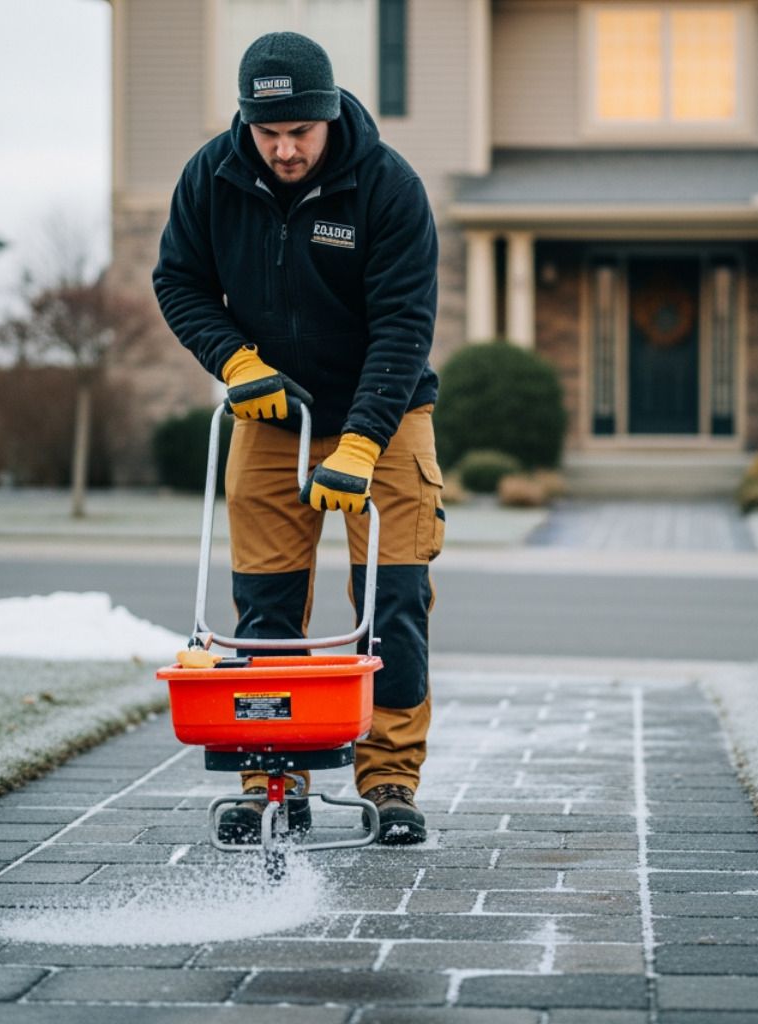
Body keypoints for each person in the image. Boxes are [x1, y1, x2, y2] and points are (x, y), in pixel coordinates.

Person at [152, 31, 442, 845]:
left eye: (299, 134)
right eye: (267, 132)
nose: (282, 149)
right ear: (247, 119)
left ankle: (389, 779)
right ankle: (270, 775)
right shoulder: (211, 176)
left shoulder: (387, 187)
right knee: (266, 604)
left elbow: (404, 325)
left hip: (384, 412)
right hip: (271, 411)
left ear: (327, 116)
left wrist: (360, 442)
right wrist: (234, 361)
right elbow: (178, 280)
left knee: (393, 604)